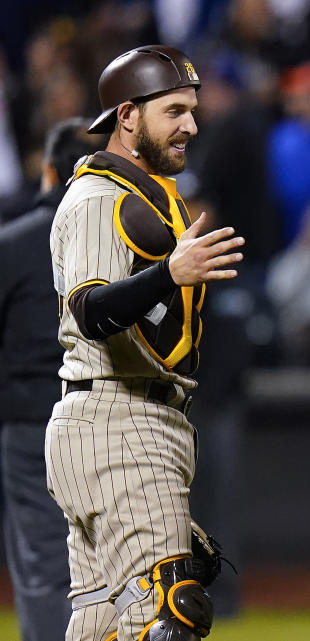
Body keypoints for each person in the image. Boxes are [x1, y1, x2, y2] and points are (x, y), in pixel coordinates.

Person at [46, 45, 243, 641]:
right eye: (175, 110)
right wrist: (168, 274)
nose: (191, 124)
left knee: (102, 626)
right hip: (119, 422)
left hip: (121, 426)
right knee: (167, 619)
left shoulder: (148, 196)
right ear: (128, 116)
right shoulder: (99, 197)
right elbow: (91, 311)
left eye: (192, 109)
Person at [0, 118, 102, 641]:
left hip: (27, 421)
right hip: (102, 416)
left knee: (44, 562)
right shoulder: (122, 236)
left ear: (47, 171)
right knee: (114, 566)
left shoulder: (12, 244)